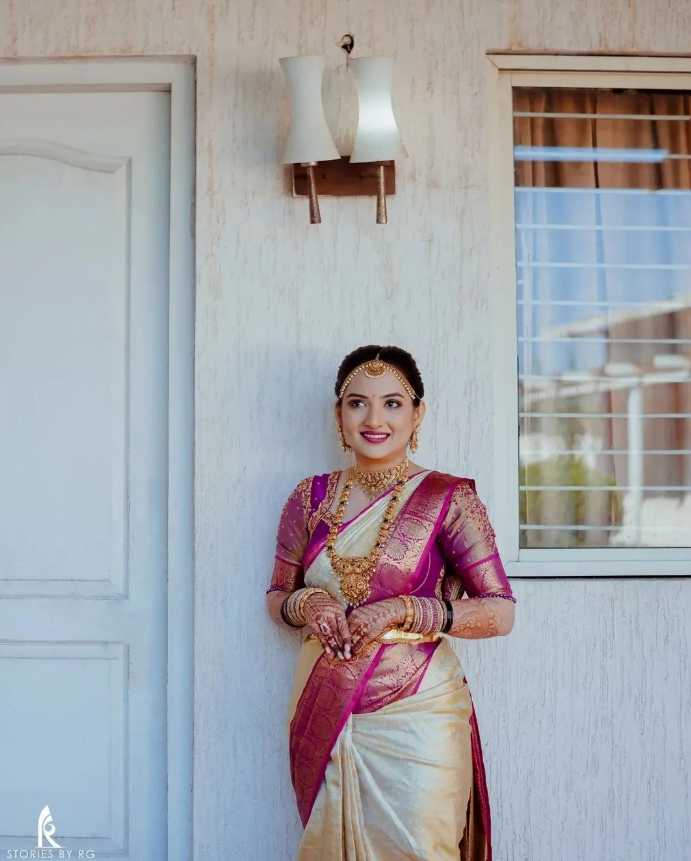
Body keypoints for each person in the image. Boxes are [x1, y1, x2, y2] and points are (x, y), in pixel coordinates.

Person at [266, 344, 516, 861]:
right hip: (325, 703)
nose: (374, 418)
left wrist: (404, 610)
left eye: (393, 403)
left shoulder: (449, 498)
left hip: (419, 710)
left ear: (418, 412)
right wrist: (309, 603)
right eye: (357, 403)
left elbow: (499, 611)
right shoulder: (309, 498)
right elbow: (277, 596)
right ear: (338, 414)